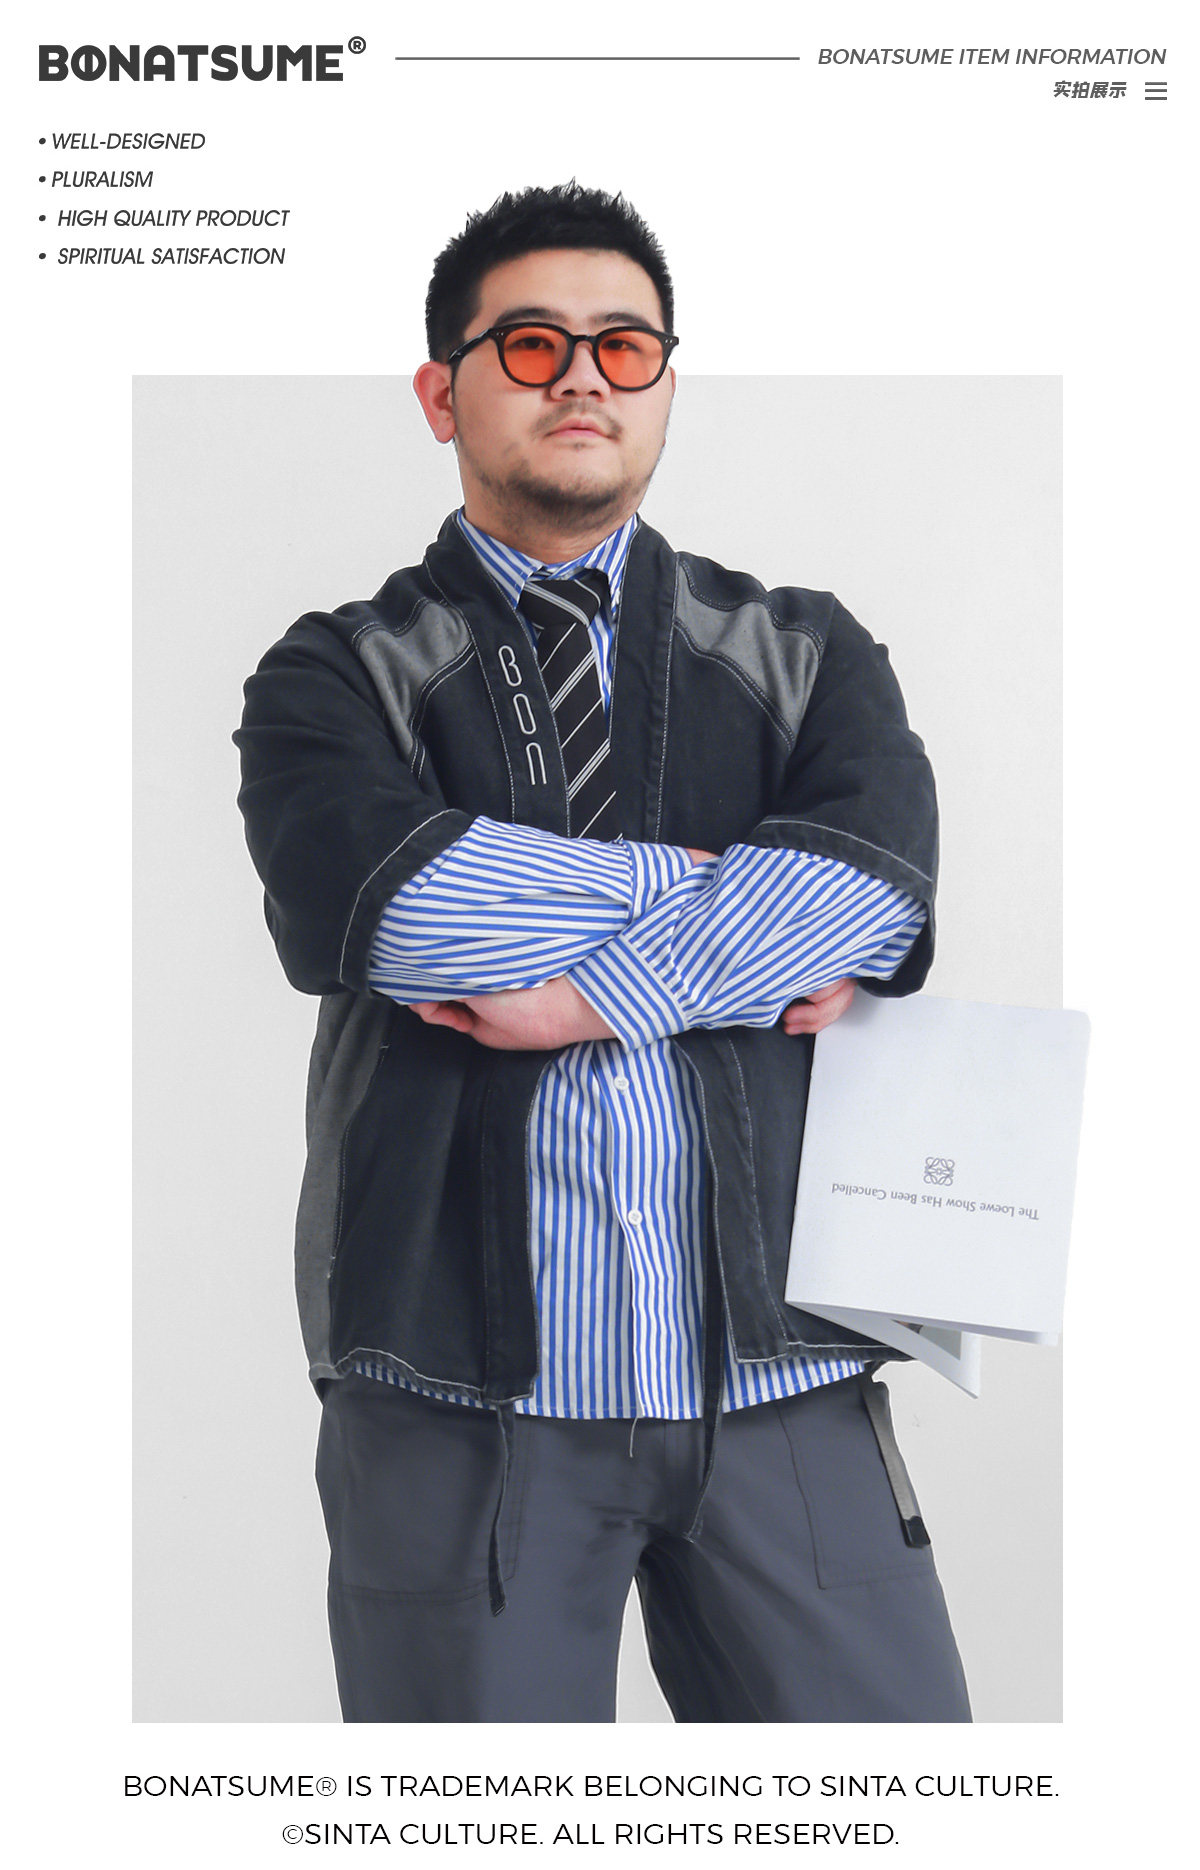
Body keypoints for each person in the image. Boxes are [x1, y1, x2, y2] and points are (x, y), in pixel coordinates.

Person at [235, 183, 971, 1724]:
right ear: (442, 390)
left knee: (903, 1822)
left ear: (665, 388)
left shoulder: (805, 652)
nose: (583, 375)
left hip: (786, 1378)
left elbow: (869, 895)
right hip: (453, 1394)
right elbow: (390, 909)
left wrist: (582, 991)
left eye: (624, 345)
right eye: (531, 342)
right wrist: (715, 896)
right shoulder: (334, 673)